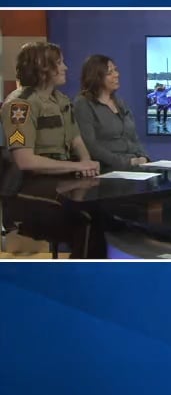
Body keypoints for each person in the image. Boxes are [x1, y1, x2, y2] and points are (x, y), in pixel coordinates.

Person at [0, 41, 102, 257]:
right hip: (27, 188)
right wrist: (76, 165)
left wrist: (88, 164)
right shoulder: (20, 105)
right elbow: (25, 161)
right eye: (59, 63)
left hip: (61, 180)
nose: (65, 68)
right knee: (86, 219)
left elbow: (75, 139)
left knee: (104, 211)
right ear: (42, 67)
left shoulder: (61, 100)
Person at [72, 55, 151, 172]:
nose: (117, 74)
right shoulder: (83, 104)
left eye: (115, 70)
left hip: (134, 167)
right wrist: (127, 162)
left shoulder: (120, 103)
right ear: (96, 77)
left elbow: (134, 138)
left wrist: (144, 157)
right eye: (110, 73)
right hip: (107, 169)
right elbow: (91, 145)